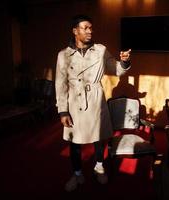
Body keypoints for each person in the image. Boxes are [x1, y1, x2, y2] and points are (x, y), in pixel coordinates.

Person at [55, 14, 131, 192]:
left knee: (98, 139)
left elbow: (117, 69)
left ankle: (99, 167)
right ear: (75, 31)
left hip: (95, 99)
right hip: (74, 102)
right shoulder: (63, 55)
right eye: (85, 28)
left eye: (91, 28)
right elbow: (60, 84)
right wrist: (63, 111)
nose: (90, 31)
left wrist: (125, 62)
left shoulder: (100, 50)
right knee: (74, 143)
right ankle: (77, 174)